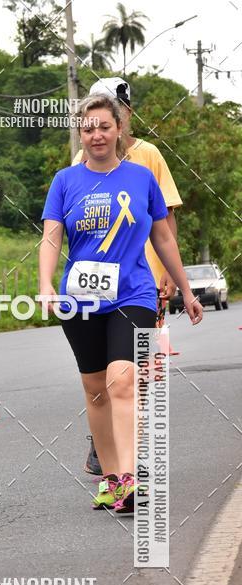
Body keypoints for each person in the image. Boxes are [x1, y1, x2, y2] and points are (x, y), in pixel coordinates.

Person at [39, 93, 202, 513]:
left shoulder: (140, 178)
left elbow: (163, 237)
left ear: (119, 130)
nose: (96, 134)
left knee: (122, 380)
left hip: (133, 293)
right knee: (95, 389)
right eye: (88, 128)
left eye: (104, 127)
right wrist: (45, 285)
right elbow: (52, 238)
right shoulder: (65, 181)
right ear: (80, 134)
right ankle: (111, 479)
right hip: (81, 299)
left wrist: (185, 289)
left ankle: (130, 477)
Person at [74, 78, 183, 477]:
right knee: (102, 376)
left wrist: (171, 272)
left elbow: (166, 217)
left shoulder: (148, 155)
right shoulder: (81, 159)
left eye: (119, 109)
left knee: (133, 371)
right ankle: (105, 446)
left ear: (125, 115)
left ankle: (129, 455)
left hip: (142, 281)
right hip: (95, 284)